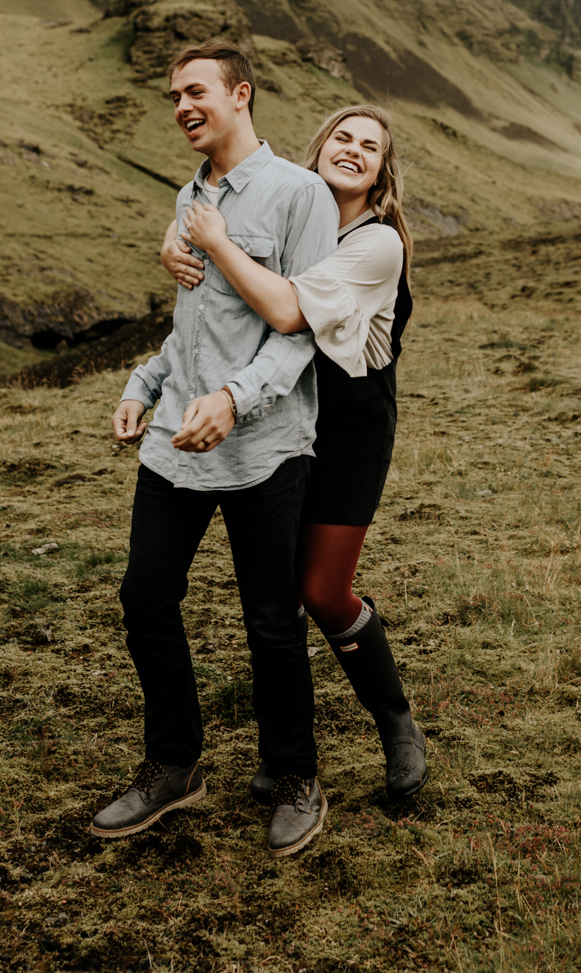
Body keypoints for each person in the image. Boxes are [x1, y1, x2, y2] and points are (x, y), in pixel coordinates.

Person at [91, 39, 338, 859]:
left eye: (195, 92)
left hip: (265, 443)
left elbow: (301, 326)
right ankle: (174, 765)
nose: (182, 107)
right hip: (174, 446)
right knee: (143, 599)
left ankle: (294, 776)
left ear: (241, 94)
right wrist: (142, 386)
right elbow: (192, 326)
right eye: (173, 97)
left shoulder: (301, 196)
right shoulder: (187, 193)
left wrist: (236, 399)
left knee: (271, 621)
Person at [164, 104, 427, 804]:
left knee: (319, 590)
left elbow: (283, 310)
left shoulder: (376, 245)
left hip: (347, 428)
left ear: (381, 172)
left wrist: (216, 245)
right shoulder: (287, 208)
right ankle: (283, 753)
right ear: (319, 148)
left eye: (369, 147)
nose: (352, 150)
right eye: (342, 136)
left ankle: (395, 720)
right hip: (277, 413)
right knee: (272, 595)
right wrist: (176, 248)